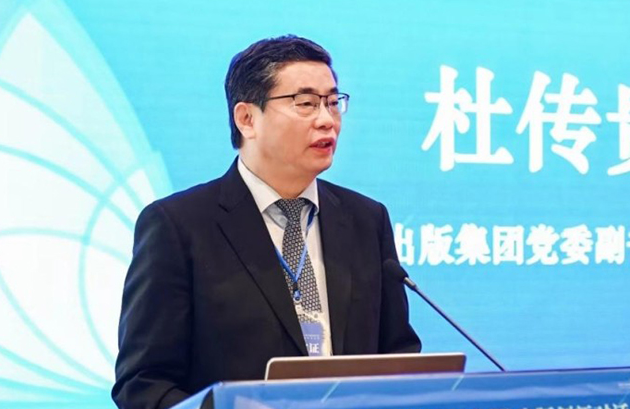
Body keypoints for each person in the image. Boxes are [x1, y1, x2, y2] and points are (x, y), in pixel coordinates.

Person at [112, 35, 421, 409]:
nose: (327, 120)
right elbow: (143, 384)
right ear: (246, 119)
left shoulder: (366, 220)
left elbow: (399, 357)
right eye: (306, 104)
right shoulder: (178, 226)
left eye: (332, 102)